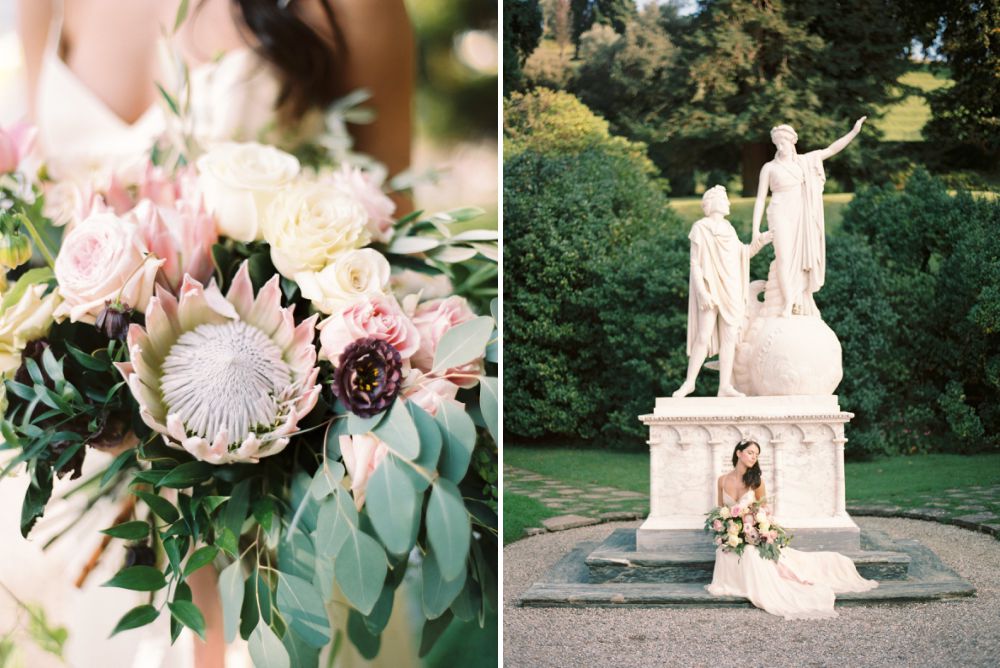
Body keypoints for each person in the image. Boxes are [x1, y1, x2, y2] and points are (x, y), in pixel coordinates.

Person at [10, 2, 416, 666]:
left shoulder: (352, 8)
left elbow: (395, 241)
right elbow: (41, 210)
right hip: (106, 487)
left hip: (279, 507)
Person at [706, 440, 878, 619]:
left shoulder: (757, 482)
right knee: (724, 552)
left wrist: (757, 530)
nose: (754, 457)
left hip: (753, 536)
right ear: (738, 453)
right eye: (750, 452)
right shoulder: (722, 480)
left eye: (756, 455)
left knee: (749, 554)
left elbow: (763, 511)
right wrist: (727, 530)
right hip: (732, 536)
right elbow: (720, 511)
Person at [750, 117, 866, 318]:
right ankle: (788, 303)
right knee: (784, 258)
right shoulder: (769, 167)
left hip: (800, 214)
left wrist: (854, 132)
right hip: (779, 213)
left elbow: (830, 150)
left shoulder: (804, 162)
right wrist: (755, 231)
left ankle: (799, 299)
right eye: (776, 143)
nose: (780, 146)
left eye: (783, 142)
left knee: (802, 258)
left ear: (792, 142)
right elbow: (760, 199)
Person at [673, 185, 771, 398]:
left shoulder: (728, 228)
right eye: (725, 199)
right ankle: (689, 382)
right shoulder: (700, 227)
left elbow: (743, 254)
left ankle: (724, 386)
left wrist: (760, 242)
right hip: (711, 288)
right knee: (703, 335)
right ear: (714, 202)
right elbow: (695, 264)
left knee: (729, 339)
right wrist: (702, 292)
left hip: (732, 288)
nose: (728, 203)